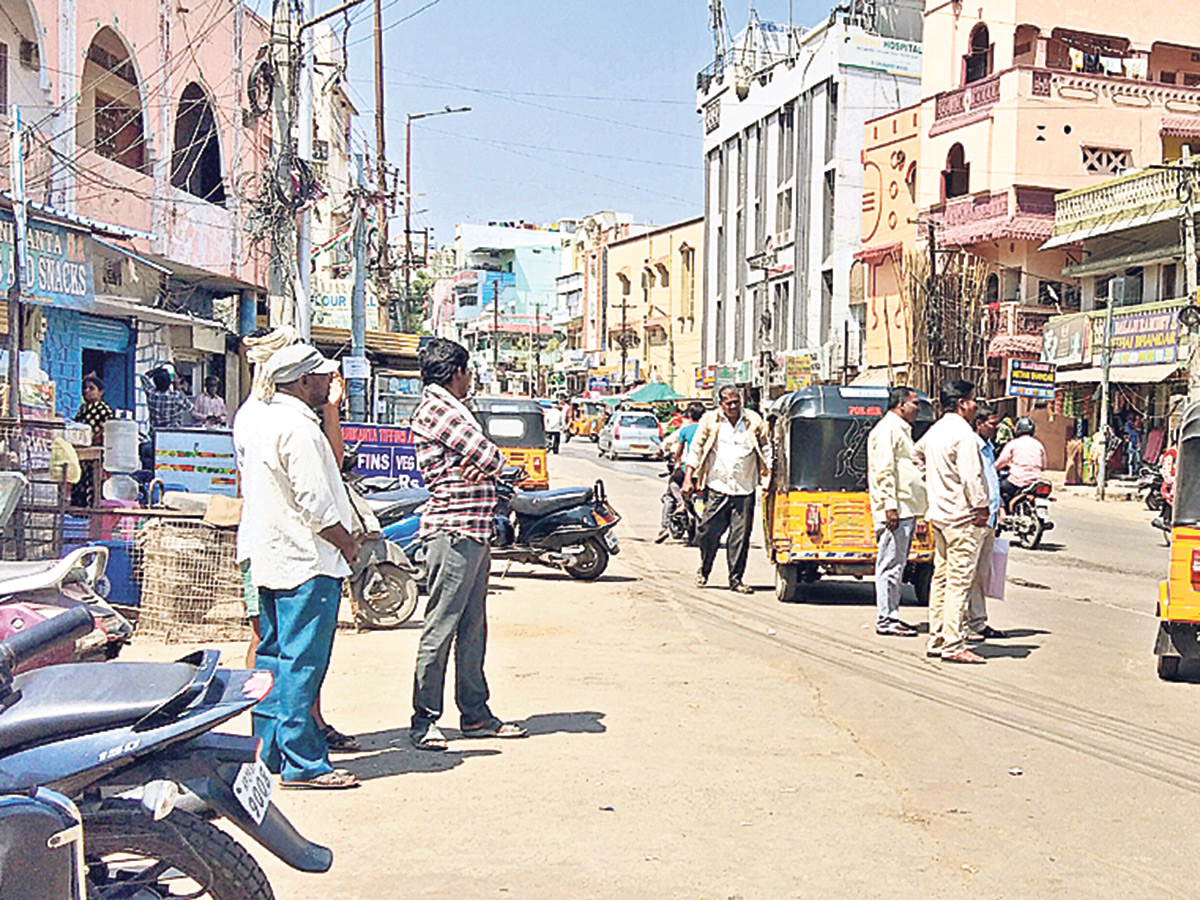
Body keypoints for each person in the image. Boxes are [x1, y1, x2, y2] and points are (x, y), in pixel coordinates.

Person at [238, 343, 360, 789]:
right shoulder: (300, 430)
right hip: (306, 563)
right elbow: (317, 506)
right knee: (301, 665)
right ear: (305, 381)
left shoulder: (262, 422)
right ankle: (304, 762)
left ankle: (266, 753)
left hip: (270, 557)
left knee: (272, 660)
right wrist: (348, 545)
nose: (330, 384)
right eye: (324, 377)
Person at [409, 338, 527, 751]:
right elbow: (492, 458)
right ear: (456, 371)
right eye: (468, 370)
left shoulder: (454, 410)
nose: (471, 377)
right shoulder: (438, 409)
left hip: (474, 529)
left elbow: (483, 464)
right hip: (453, 531)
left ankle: (475, 712)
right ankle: (424, 718)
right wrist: (483, 467)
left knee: (473, 628)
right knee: (441, 628)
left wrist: (478, 469)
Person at [913, 380, 990, 664]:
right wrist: (981, 506)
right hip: (962, 517)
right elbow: (972, 477)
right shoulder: (963, 434)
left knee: (942, 579)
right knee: (959, 582)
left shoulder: (935, 431)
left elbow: (916, 455)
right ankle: (954, 643)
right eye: (972, 401)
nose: (974, 406)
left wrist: (934, 482)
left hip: (941, 515)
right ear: (962, 403)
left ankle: (937, 637)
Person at [682, 387, 770, 593]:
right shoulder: (710, 421)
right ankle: (705, 568)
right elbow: (695, 448)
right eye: (728, 403)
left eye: (736, 402)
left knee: (740, 537)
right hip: (717, 486)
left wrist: (770, 474)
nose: (733, 407)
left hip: (745, 488)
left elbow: (766, 447)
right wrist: (688, 478)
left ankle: (736, 579)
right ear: (721, 404)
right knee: (707, 531)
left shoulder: (753, 420)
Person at [867, 386, 927, 637]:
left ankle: (892, 613)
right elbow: (884, 471)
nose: (917, 408)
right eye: (914, 403)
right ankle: (886, 618)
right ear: (900, 405)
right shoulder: (888, 430)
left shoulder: (901, 430)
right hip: (896, 510)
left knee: (897, 565)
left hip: (905, 507)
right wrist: (889, 505)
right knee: (890, 565)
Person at [966, 404, 1008, 642]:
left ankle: (978, 621)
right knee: (967, 573)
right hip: (975, 518)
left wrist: (999, 505)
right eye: (992, 424)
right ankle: (962, 623)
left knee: (982, 573)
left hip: (990, 517)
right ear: (979, 423)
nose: (996, 428)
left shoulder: (989, 448)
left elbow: (992, 479)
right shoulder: (971, 446)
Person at [656, 402, 705, 544]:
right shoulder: (709, 429)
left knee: (672, 488)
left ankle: (665, 526)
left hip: (689, 469)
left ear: (689, 414)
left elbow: (676, 448)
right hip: (705, 472)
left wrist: (676, 459)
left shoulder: (685, 429)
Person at [72, 374, 116, 507]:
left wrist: (92, 442)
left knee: (93, 486)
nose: (87, 391)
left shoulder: (104, 410)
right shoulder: (83, 409)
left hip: (96, 454)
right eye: (85, 388)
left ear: (100, 392)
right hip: (81, 453)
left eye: (91, 388)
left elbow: (106, 430)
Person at [995, 416, 1047, 508]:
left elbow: (1000, 463)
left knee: (997, 488)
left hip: (1017, 482)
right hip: (1035, 482)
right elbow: (1043, 466)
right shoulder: (1039, 444)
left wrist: (994, 467)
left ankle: (1003, 513)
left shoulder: (1013, 443)